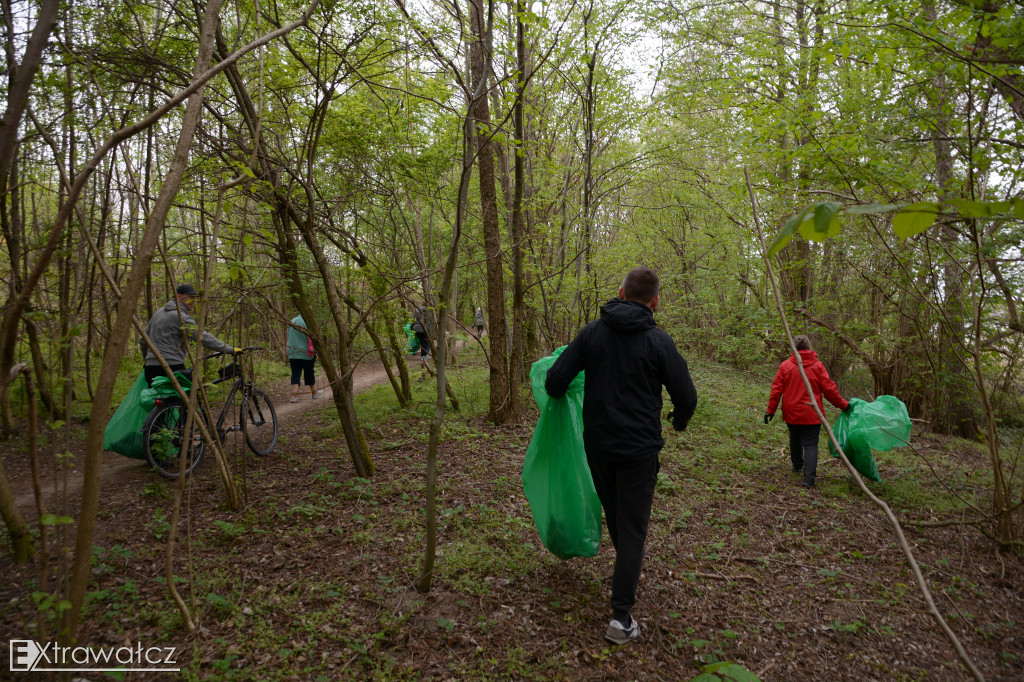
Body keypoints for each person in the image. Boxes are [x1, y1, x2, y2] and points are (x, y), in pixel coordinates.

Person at [545, 266, 698, 645]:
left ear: (620, 291)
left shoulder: (593, 334)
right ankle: (620, 617)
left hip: (599, 447)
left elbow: (555, 381)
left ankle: (622, 578)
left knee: (619, 518)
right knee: (631, 531)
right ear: (655, 301)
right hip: (639, 452)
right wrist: (677, 421)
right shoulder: (659, 342)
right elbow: (687, 397)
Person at [765, 334, 850, 488]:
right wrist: (844, 405)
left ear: (794, 349)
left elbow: (776, 390)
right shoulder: (817, 367)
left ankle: (797, 466)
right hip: (812, 412)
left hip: (792, 412)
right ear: (809, 348)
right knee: (811, 444)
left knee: (795, 437)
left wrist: (771, 410)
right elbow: (830, 390)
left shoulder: (786, 366)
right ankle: (808, 479)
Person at [140, 284, 237, 386]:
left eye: (194, 298)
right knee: (185, 399)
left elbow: (143, 340)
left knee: (156, 398)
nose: (193, 301)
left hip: (150, 367)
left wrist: (148, 359)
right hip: (171, 366)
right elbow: (202, 337)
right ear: (179, 296)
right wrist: (229, 349)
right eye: (190, 298)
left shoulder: (158, 313)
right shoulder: (181, 317)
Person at [287, 313, 324, 402]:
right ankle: (314, 393)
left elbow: (288, 336)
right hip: (305, 352)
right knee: (309, 373)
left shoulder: (292, 321)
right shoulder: (308, 323)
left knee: (295, 373)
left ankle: (294, 396)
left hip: (293, 352)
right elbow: (313, 339)